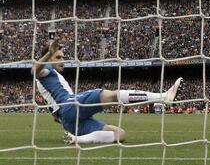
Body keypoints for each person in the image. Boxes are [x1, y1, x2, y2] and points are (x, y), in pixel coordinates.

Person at [32, 40, 183, 144]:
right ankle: (163, 97)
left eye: (63, 57)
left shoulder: (48, 82)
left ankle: (75, 139)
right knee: (111, 95)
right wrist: (46, 56)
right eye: (58, 57)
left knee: (120, 134)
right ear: (48, 58)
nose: (62, 60)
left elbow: (54, 116)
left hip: (69, 123)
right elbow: (34, 70)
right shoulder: (46, 71)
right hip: (70, 105)